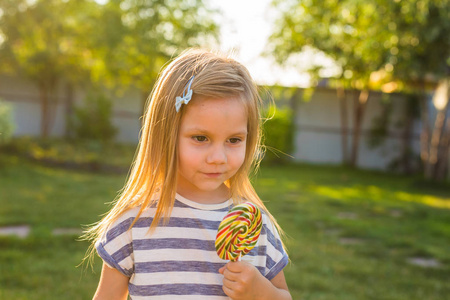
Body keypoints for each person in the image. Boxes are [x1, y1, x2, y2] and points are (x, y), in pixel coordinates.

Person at [84, 49, 292, 300]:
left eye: (234, 140)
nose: (218, 157)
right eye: (201, 138)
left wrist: (262, 292)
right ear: (166, 135)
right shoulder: (134, 221)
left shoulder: (252, 227)